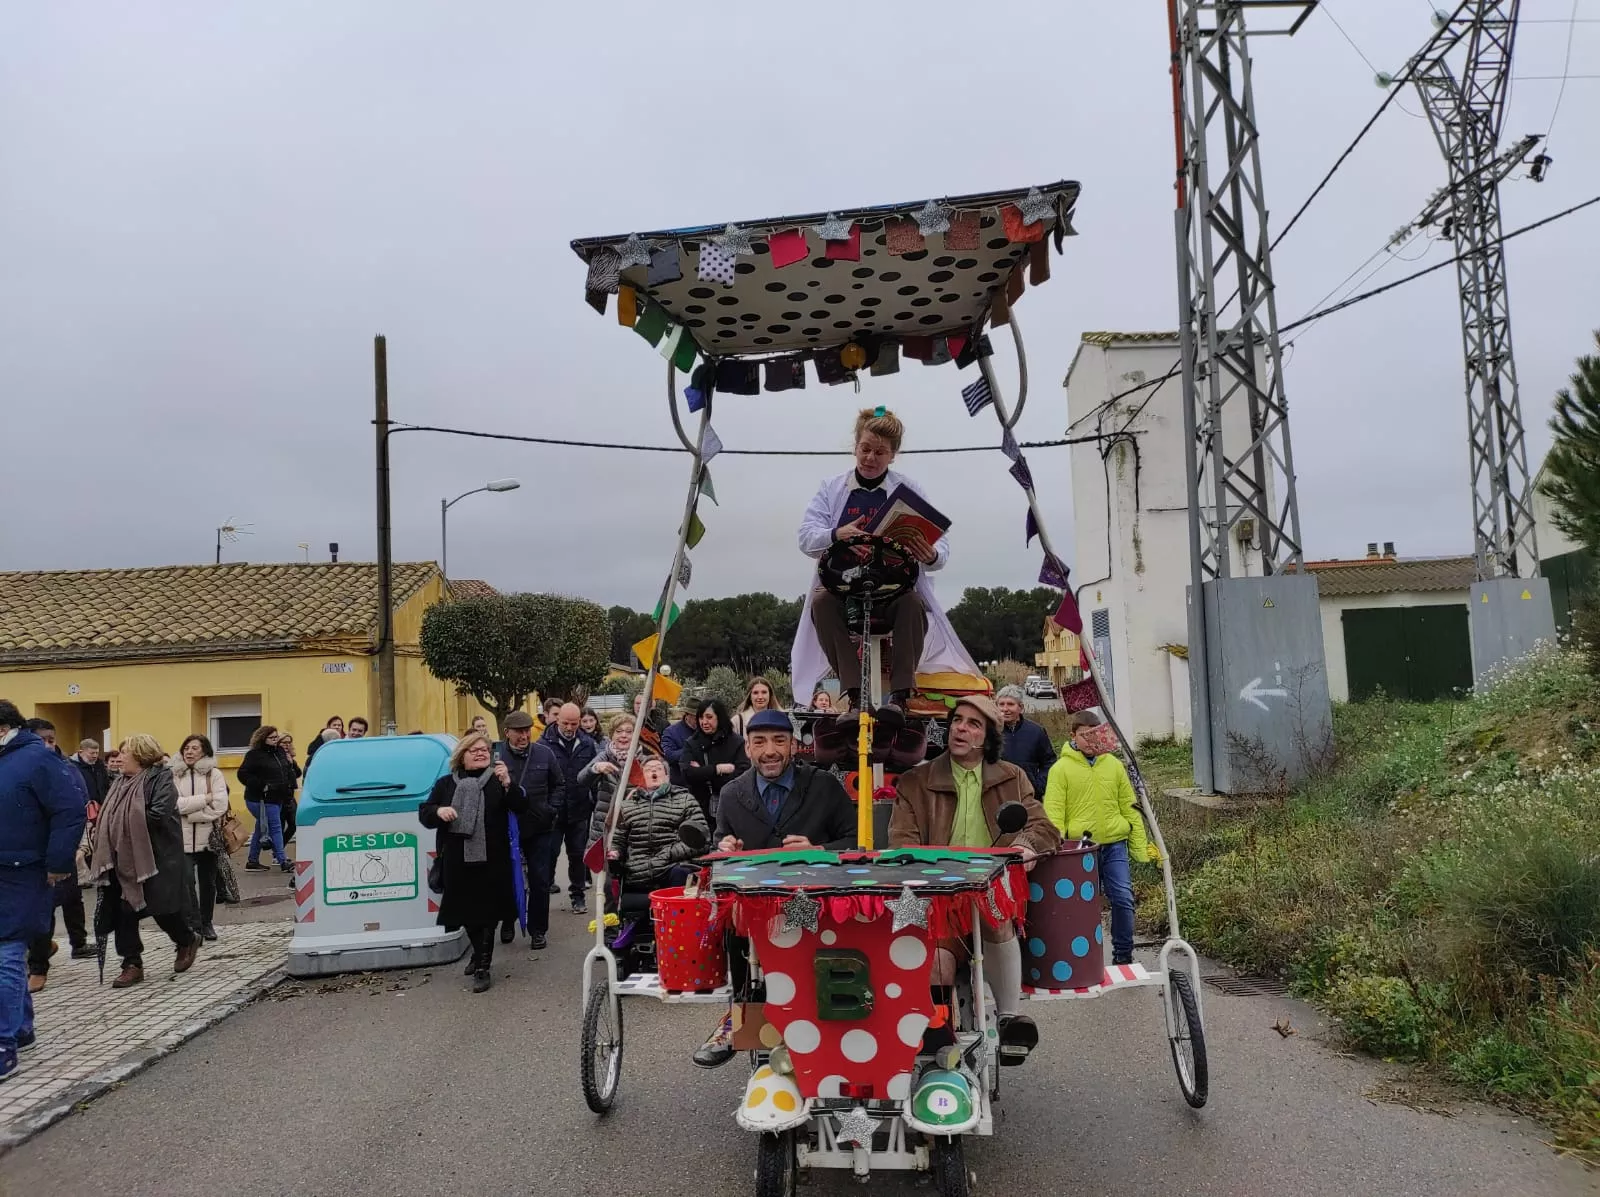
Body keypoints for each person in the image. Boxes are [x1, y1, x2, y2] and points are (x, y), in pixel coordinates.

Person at [890, 695, 1059, 1049]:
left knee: (997, 915)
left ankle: (1010, 1020)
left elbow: (1044, 827)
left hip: (990, 893)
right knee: (937, 959)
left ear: (989, 738)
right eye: (957, 721)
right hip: (935, 898)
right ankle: (935, 1027)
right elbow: (901, 844)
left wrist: (1026, 846)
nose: (960, 728)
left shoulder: (1013, 778)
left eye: (972, 724)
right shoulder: (914, 782)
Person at [695, 709, 857, 1068]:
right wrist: (725, 849)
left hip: (813, 902)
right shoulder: (732, 794)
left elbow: (857, 844)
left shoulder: (823, 786)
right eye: (760, 742)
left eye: (779, 741)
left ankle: (827, 1024)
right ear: (748, 749)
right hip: (756, 907)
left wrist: (819, 851)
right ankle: (738, 1016)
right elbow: (721, 841)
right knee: (731, 920)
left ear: (794, 746)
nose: (770, 751)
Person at [792, 407, 979, 711]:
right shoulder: (831, 488)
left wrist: (930, 554)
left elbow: (940, 548)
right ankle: (854, 695)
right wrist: (840, 535)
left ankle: (901, 697)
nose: (870, 458)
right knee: (821, 603)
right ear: (855, 446)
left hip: (892, 589)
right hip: (844, 589)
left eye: (880, 452)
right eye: (865, 449)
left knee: (913, 604)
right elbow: (806, 537)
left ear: (893, 455)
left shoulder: (908, 490)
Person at [0, 700, 87, 1083]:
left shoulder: (38, 759)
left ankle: (3, 1044)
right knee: (6, 950)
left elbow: (69, 811)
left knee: (6, 951)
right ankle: (21, 1030)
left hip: (23, 870)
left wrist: (57, 864)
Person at [419, 733, 542, 993]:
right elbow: (425, 813)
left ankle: (483, 966)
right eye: (474, 750)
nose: (480, 753)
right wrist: (439, 811)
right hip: (456, 858)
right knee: (466, 912)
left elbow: (521, 805)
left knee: (489, 914)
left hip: (494, 858)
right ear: (461, 755)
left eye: (484, 750)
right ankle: (478, 952)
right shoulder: (446, 784)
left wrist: (509, 783)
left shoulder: (497, 781)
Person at [1042, 711, 1153, 967]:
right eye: (1085, 735)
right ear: (1073, 736)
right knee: (1082, 907)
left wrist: (1140, 848)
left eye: (1096, 735)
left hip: (1115, 844)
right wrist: (1057, 847)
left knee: (1123, 898)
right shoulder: (1061, 770)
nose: (1091, 741)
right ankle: (1083, 959)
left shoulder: (1113, 765)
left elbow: (1130, 807)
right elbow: (1054, 812)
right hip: (1081, 850)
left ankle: (1123, 956)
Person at [90, 735, 201, 989]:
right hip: (123, 859)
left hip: (157, 856)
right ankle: (131, 963)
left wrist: (124, 825)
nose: (120, 758)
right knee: (124, 910)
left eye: (125, 753)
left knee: (162, 909)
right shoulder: (119, 782)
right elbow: (110, 815)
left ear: (140, 756)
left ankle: (186, 939)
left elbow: (158, 814)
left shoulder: (161, 779)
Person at [20, 719, 91, 991]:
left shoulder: (66, 769)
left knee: (45, 909)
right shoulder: (16, 767)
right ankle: (42, 947)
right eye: (42, 740)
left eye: (51, 739)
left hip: (55, 851)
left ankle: (38, 968)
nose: (48, 745)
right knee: (24, 911)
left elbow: (76, 811)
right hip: (21, 852)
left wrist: (69, 850)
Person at [495, 710, 562, 951]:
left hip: (540, 827)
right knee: (507, 879)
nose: (524, 736)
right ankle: (508, 920)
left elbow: (559, 784)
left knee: (539, 880)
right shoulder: (497, 755)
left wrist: (551, 810)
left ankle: (538, 930)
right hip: (507, 828)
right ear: (507, 733)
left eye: (527, 731)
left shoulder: (544, 753)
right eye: (518, 732)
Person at [605, 756, 706, 898]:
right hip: (636, 870)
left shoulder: (685, 800)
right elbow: (617, 841)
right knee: (609, 882)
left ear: (667, 776)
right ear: (641, 777)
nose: (653, 772)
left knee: (681, 873)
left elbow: (700, 840)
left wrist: (668, 854)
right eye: (648, 770)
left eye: (658, 769)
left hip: (671, 867)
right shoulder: (627, 806)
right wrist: (614, 853)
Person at [540, 703, 599, 916]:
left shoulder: (587, 744)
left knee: (577, 856)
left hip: (579, 810)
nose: (569, 727)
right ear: (557, 720)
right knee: (550, 854)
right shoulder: (544, 744)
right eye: (565, 723)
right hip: (554, 812)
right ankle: (542, 895)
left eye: (574, 723)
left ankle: (578, 895)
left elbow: (594, 777)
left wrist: (593, 801)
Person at [172, 734, 229, 942]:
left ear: (204, 751)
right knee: (186, 883)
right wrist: (205, 799)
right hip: (182, 841)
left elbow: (220, 805)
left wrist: (191, 813)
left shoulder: (214, 774)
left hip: (209, 840)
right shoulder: (175, 775)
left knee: (208, 884)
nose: (189, 751)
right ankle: (194, 925)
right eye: (186, 747)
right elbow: (174, 804)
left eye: (194, 748)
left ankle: (207, 923)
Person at [681, 698, 749, 825]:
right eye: (701, 718)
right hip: (699, 808)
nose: (704, 722)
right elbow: (687, 773)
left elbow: (742, 774)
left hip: (733, 805)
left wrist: (703, 772)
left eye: (709, 717)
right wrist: (717, 769)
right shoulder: (692, 743)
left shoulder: (736, 742)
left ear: (719, 717)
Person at [238, 726, 294, 872]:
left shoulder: (280, 752)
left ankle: (252, 861)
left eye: (276, 737)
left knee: (260, 828)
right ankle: (282, 861)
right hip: (260, 799)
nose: (276, 741)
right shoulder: (254, 755)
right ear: (263, 738)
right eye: (272, 738)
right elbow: (243, 774)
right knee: (275, 827)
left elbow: (286, 772)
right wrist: (262, 785)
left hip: (277, 798)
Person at [581, 713, 640, 848]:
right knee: (611, 864)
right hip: (607, 822)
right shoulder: (605, 755)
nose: (623, 735)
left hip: (635, 823)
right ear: (612, 735)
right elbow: (582, 779)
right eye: (618, 731)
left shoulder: (643, 757)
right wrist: (596, 768)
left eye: (629, 732)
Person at [996, 685, 1059, 798]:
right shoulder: (991, 732)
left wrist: (1038, 787)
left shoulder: (1036, 731)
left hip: (1029, 796)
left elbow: (1049, 762)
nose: (1005, 709)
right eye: (1001, 704)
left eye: (1010, 704)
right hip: (998, 795)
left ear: (1021, 707)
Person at [660, 706, 698, 788]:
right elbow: (668, 756)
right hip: (681, 785)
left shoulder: (705, 729)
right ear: (687, 715)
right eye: (696, 718)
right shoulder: (671, 732)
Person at [277, 733, 302, 844]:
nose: (287, 745)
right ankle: (277, 853)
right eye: (284, 742)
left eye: (288, 743)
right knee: (280, 825)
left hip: (290, 796)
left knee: (294, 824)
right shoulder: (276, 757)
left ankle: (280, 847)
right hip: (279, 796)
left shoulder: (290, 758)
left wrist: (292, 764)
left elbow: (298, 774)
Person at [69, 738, 110, 807]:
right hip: (83, 808)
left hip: (101, 807)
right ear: (81, 752)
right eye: (92, 753)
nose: (95, 756)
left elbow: (106, 785)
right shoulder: (71, 767)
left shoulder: (100, 765)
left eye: (97, 753)